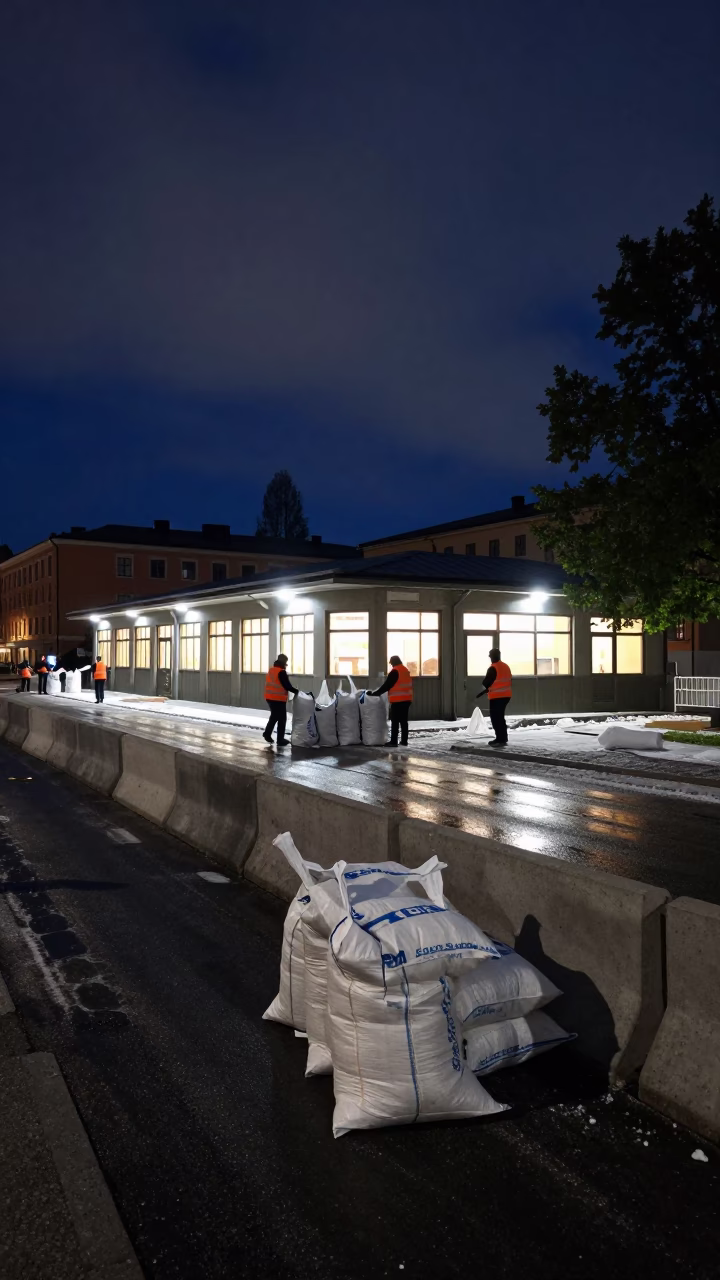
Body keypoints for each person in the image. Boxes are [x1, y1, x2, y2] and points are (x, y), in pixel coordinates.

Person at [368, 654, 413, 746]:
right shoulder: (405, 670)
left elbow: (387, 685)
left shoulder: (395, 671)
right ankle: (404, 741)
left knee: (395, 721)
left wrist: (375, 693)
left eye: (391, 663)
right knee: (404, 721)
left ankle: (393, 742)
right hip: (407, 699)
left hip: (398, 700)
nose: (391, 665)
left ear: (393, 662)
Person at [476, 647, 512, 746]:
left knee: (496, 718)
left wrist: (478, 693)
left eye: (490, 656)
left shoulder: (493, 668)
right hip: (506, 696)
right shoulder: (505, 666)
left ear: (492, 657)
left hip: (497, 697)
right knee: (500, 717)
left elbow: (486, 683)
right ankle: (503, 738)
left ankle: (500, 739)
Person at [263, 654, 298, 746]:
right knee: (282, 718)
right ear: (283, 662)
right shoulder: (281, 672)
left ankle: (267, 734)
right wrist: (298, 692)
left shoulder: (271, 670)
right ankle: (280, 739)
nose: (286, 664)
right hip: (278, 699)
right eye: (286, 662)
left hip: (269, 697)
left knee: (274, 716)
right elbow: (287, 686)